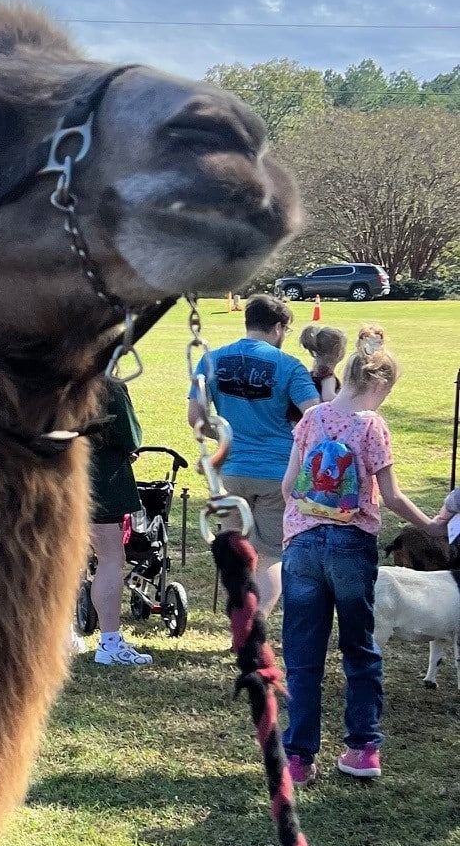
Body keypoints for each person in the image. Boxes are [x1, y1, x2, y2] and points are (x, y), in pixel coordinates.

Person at [279, 334, 442, 784]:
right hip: (352, 546)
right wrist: (430, 525)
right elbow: (390, 496)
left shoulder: (311, 419)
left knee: (303, 654)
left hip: (305, 546)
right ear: (381, 383)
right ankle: (362, 749)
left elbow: (288, 487)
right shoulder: (373, 425)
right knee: (360, 649)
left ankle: (298, 758)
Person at [188, 292, 318, 614]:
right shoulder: (289, 366)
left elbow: (196, 418)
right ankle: (254, 626)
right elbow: (316, 416)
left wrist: (228, 437)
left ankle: (240, 621)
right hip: (278, 472)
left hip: (230, 471)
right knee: (271, 555)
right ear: (277, 327)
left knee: (236, 551)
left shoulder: (211, 359)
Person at [86, 374, 152, 667]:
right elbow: (129, 436)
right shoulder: (106, 386)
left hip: (52, 480)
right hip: (101, 481)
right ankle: (110, 641)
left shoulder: (48, 375)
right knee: (111, 558)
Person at [299, 321, 346, 402]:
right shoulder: (327, 375)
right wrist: (346, 402)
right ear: (339, 352)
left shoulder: (315, 373)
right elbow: (328, 397)